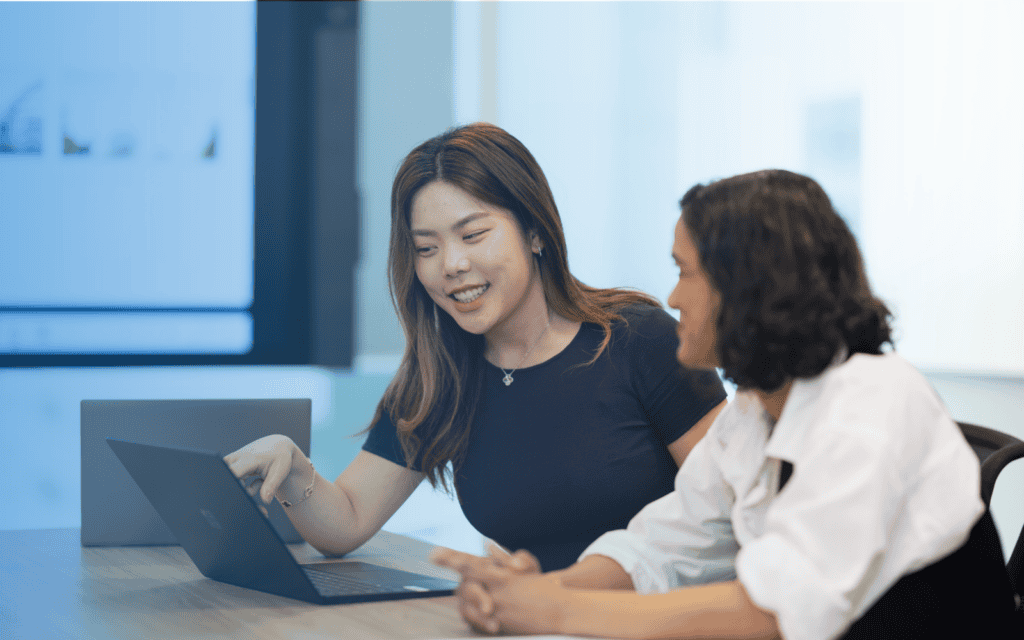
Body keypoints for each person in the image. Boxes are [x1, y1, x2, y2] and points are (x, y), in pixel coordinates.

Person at [433, 169, 1018, 639]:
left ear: (748, 286)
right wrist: (548, 590)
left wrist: (550, 613)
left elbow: (773, 614)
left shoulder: (875, 403)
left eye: (686, 273)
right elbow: (662, 546)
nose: (672, 297)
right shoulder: (753, 411)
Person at [224, 123, 727, 572]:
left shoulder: (640, 340)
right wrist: (293, 467)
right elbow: (348, 521)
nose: (451, 264)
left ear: (534, 231)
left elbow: (730, 518)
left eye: (473, 234)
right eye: (427, 248)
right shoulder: (440, 377)